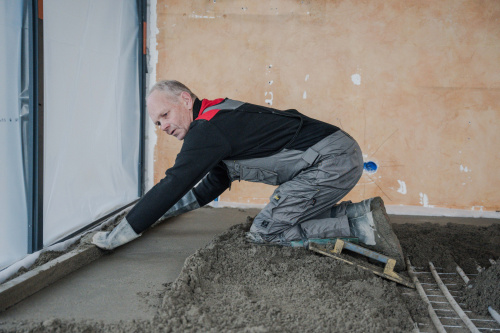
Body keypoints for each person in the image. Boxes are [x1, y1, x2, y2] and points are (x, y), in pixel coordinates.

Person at [92, 80, 405, 271]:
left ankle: (362, 227)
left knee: (266, 232)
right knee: (286, 216)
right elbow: (205, 189)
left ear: (185, 100)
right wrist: (154, 218)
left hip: (329, 161)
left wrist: (120, 235)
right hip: (336, 154)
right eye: (157, 124)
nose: (164, 126)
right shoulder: (217, 118)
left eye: (165, 115)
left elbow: (175, 183)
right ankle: (363, 212)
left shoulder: (207, 130)